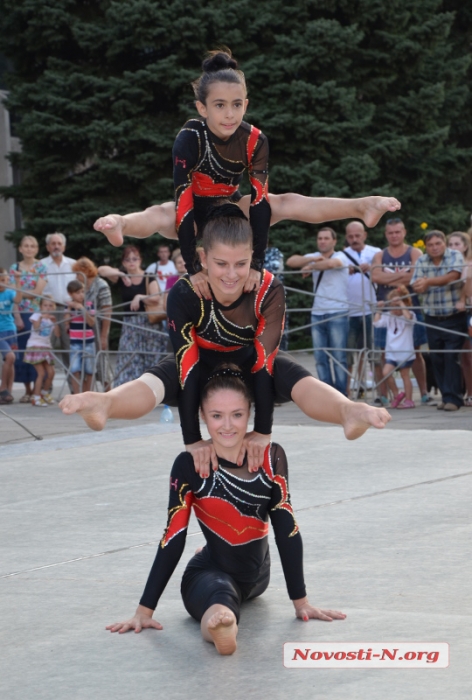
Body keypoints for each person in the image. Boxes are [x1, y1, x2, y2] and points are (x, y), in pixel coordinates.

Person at [60, 206, 391, 474]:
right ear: (202, 259)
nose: (231, 275)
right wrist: (193, 440)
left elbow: (263, 361)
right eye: (220, 264)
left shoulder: (268, 289)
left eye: (241, 264)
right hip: (199, 360)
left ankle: (348, 410)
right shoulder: (185, 293)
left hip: (251, 359)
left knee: (290, 374)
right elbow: (187, 367)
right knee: (160, 379)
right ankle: (105, 403)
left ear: (253, 259)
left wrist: (263, 430)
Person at [94, 50, 401, 300]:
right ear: (202, 107)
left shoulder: (255, 140)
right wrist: (193, 269)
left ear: (246, 104)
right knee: (161, 214)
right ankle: (121, 223)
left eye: (237, 104)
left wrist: (256, 265)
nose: (229, 113)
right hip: (193, 209)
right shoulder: (190, 137)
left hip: (230, 205)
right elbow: (184, 201)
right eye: (219, 105)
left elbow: (260, 202)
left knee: (285, 202)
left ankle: (361, 205)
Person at [106, 366, 346, 655]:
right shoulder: (190, 465)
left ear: (250, 414)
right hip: (211, 574)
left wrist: (301, 602)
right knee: (221, 597)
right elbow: (173, 536)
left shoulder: (271, 457)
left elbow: (286, 528)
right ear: (202, 417)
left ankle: (213, 573)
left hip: (259, 578)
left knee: (236, 577)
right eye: (216, 415)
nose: (227, 425)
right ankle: (223, 628)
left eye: (237, 414)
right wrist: (144, 610)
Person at [371, 219, 430, 406]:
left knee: (416, 352)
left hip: (411, 309)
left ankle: (423, 392)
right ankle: (388, 394)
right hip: (387, 311)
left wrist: (389, 278)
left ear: (404, 232)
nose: (394, 235)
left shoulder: (415, 252)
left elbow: (416, 276)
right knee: (383, 353)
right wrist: (403, 278)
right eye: (390, 232)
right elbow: (375, 276)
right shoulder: (380, 255)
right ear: (386, 234)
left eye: (397, 232)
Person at [287, 227, 350, 395]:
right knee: (320, 357)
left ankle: (342, 394)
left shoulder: (341, 256)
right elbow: (291, 261)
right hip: (317, 312)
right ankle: (327, 395)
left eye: (326, 238)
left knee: (339, 356)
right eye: (320, 238)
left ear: (334, 241)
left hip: (338, 311)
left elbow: (332, 264)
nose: (322, 241)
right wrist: (314, 259)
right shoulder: (314, 257)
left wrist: (310, 267)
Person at [411, 230, 467, 411]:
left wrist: (428, 282)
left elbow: (453, 276)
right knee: (437, 358)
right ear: (426, 247)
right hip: (432, 316)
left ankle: (454, 399)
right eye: (430, 245)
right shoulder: (422, 260)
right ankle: (445, 396)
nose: (434, 247)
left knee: (451, 357)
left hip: (453, 315)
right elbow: (416, 284)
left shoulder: (455, 255)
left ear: (444, 243)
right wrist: (421, 285)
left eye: (438, 243)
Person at [98, 246, 167, 386]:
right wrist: (122, 275)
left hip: (149, 323)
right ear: (123, 262)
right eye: (127, 259)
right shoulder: (122, 278)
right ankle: (127, 390)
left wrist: (139, 297)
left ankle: (152, 389)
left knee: (151, 358)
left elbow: (156, 298)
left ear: (140, 260)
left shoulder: (148, 276)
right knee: (128, 358)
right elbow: (101, 270)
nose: (131, 262)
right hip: (130, 325)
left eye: (135, 258)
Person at [343, 221, 381, 398]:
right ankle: (347, 392)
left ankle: (381, 393)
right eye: (350, 236)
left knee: (373, 354)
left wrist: (373, 268)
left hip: (371, 311)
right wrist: (344, 270)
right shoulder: (341, 256)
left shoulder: (376, 253)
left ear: (365, 235)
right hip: (349, 312)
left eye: (357, 235)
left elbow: (384, 275)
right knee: (348, 355)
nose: (354, 239)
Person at [9, 236, 48, 403]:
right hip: (18, 313)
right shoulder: (14, 267)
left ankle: (37, 388)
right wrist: (17, 313)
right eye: (26, 246)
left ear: (37, 249)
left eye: (33, 246)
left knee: (35, 350)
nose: (29, 249)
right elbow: (11, 294)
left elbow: (38, 292)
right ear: (20, 248)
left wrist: (20, 291)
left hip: (35, 314)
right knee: (22, 351)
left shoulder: (41, 267)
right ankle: (27, 389)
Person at [72, 257, 112, 391]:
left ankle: (108, 392)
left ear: (85, 271)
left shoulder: (101, 284)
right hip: (82, 331)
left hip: (97, 328)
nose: (76, 276)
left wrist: (104, 335)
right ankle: (85, 394)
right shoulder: (80, 286)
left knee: (102, 363)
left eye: (78, 273)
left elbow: (107, 310)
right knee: (85, 364)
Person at [373, 287, 416, 409]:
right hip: (392, 352)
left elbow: (408, 318)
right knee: (386, 372)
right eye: (392, 306)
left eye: (397, 307)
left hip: (405, 351)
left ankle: (409, 399)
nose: (395, 310)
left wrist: (401, 303)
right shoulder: (388, 316)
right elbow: (376, 323)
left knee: (405, 375)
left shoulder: (410, 314)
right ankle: (397, 394)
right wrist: (379, 309)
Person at [447, 231, 472, 406]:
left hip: (467, 310)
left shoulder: (469, 264)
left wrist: (463, 298)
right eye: (451, 244)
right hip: (457, 313)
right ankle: (468, 392)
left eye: (457, 244)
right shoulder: (450, 265)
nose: (454, 248)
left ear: (465, 246)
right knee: (463, 356)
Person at [24, 294, 58, 406]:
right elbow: (37, 327)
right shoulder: (36, 315)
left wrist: (56, 323)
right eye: (45, 305)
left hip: (46, 347)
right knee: (41, 373)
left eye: (50, 306)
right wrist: (42, 317)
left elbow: (58, 334)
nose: (47, 307)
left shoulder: (52, 320)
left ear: (53, 307)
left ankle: (44, 393)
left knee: (51, 372)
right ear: (41, 306)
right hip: (35, 346)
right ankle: (36, 396)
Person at [64, 280, 96, 394]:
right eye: (77, 293)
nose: (81, 295)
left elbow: (92, 322)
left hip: (88, 341)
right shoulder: (68, 306)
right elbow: (66, 323)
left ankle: (88, 396)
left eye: (82, 292)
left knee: (90, 370)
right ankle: (77, 396)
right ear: (70, 294)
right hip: (75, 342)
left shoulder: (89, 304)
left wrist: (82, 309)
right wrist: (69, 308)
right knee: (75, 370)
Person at [0, 268, 22, 403]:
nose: (2, 283)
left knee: (11, 361)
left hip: (10, 329)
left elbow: (18, 300)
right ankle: (3, 387)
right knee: (10, 356)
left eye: (4, 280)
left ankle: (9, 391)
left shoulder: (9, 293)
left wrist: (18, 281)